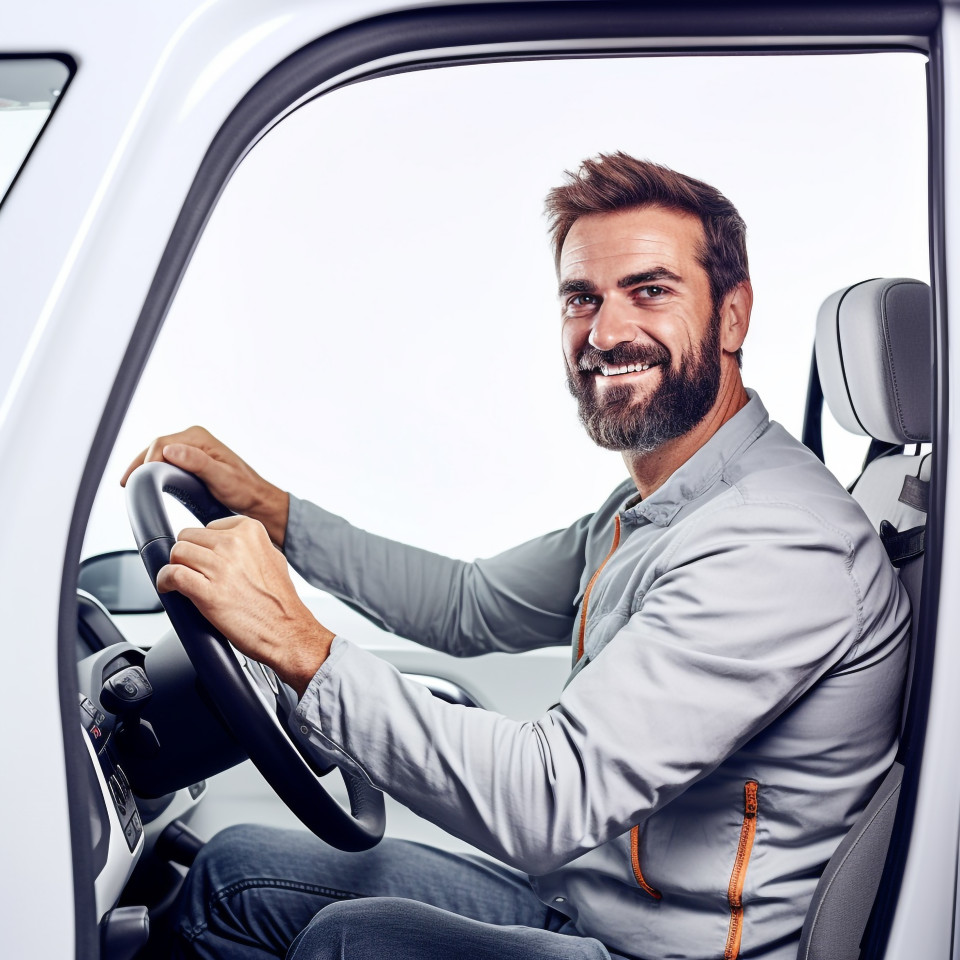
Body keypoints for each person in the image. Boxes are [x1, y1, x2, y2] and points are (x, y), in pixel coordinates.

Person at [123, 153, 910, 960]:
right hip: (578, 905)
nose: (606, 334)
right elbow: (467, 604)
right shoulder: (668, 504)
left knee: (353, 944)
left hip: (661, 954)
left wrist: (295, 640)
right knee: (235, 877)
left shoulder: (776, 541)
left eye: (651, 291)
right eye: (582, 299)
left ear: (733, 316)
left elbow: (547, 797)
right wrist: (270, 509)